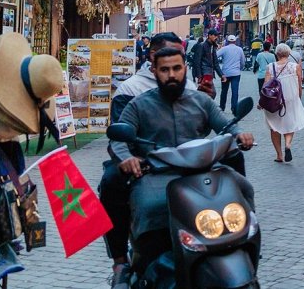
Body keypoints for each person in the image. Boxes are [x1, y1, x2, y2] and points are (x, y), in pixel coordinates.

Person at [108, 47, 255, 284]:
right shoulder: (139, 105)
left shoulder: (200, 101)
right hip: (156, 175)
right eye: (164, 69)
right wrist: (128, 158)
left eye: (176, 68)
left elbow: (226, 125)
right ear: (154, 71)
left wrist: (240, 135)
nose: (172, 74)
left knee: (243, 188)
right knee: (147, 207)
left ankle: (246, 240)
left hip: (202, 173)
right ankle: (137, 263)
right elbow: (118, 139)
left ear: (185, 68)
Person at [100, 32, 211, 284]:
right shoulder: (131, 89)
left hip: (185, 163)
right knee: (111, 181)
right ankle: (120, 261)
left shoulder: (189, 85)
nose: (173, 68)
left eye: (179, 60)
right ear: (153, 58)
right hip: (146, 165)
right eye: (167, 60)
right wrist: (128, 158)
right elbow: (120, 133)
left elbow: (203, 128)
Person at [262, 43, 304, 163]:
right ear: (288, 53)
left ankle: (279, 155)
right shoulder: (295, 67)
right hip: (291, 98)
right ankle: (288, 144)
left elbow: (265, 85)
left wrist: (261, 101)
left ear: (277, 54)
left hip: (274, 100)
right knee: (289, 123)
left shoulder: (270, 67)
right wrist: (299, 97)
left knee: (274, 126)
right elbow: (299, 85)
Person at [217, 34, 246, 113]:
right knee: (235, 91)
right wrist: (240, 68)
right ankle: (234, 108)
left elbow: (215, 56)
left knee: (224, 91)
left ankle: (222, 107)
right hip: (236, 73)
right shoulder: (239, 49)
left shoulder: (224, 49)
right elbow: (243, 61)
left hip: (225, 72)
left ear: (228, 41)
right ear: (235, 41)